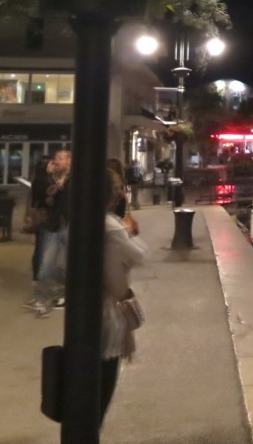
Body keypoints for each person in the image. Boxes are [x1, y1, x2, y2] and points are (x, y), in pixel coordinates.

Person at [101, 168, 146, 426]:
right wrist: (126, 230)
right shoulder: (109, 225)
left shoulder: (82, 218)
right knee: (102, 386)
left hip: (88, 313)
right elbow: (138, 255)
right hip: (107, 314)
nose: (121, 192)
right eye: (117, 188)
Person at [28, 149, 71, 317]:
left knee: (66, 266)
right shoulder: (51, 179)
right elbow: (46, 196)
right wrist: (51, 180)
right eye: (56, 158)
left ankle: (65, 295)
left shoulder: (74, 178)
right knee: (46, 265)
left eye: (61, 158)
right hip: (54, 226)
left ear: (70, 161)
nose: (56, 161)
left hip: (69, 226)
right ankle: (40, 300)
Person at [25, 156, 53, 302]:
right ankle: (38, 280)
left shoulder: (40, 180)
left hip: (42, 219)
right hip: (43, 219)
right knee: (41, 250)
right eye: (51, 163)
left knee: (41, 250)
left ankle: (38, 280)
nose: (54, 166)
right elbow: (45, 199)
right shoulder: (42, 181)